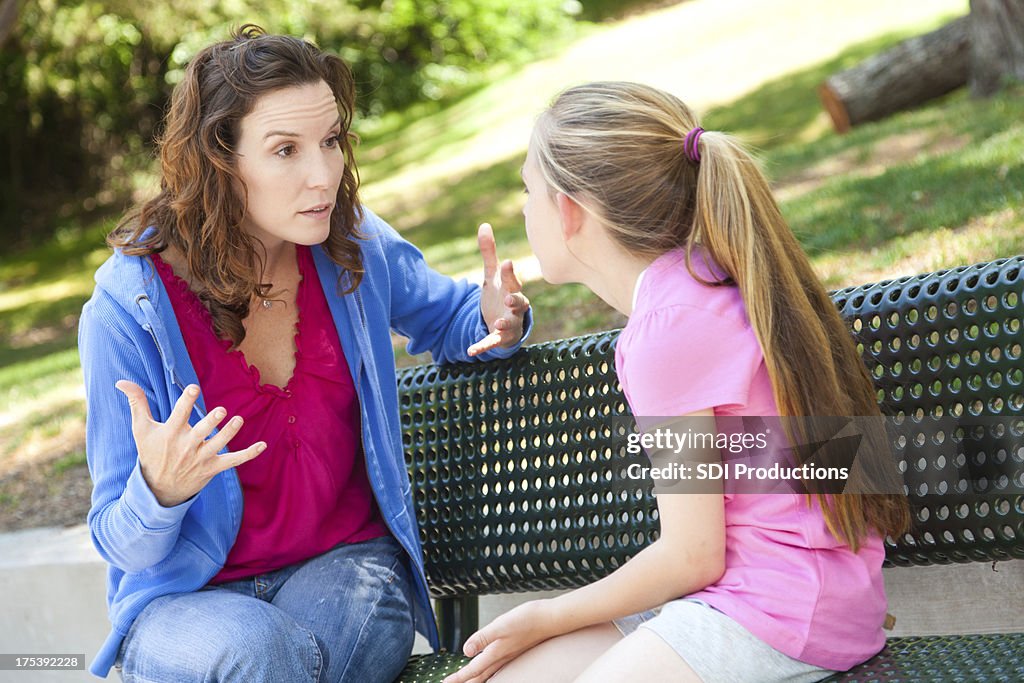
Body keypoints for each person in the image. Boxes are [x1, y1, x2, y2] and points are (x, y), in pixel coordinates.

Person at [78, 25, 531, 682]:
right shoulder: (131, 308)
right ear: (219, 161)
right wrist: (160, 490)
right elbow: (120, 539)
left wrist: (500, 316)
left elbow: (455, 318)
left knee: (286, 657)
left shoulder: (351, 245)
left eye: (330, 142)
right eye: (286, 149)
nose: (322, 175)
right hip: (184, 604)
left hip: (345, 567)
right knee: (263, 652)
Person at [444, 81, 911, 683]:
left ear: (569, 211)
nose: (524, 212)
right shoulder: (704, 282)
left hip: (780, 609)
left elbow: (693, 553)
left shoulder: (669, 329)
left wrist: (546, 615)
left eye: (527, 193)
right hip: (768, 595)